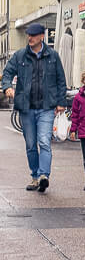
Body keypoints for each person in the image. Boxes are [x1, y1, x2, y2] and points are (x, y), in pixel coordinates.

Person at [1, 22, 68, 193]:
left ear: (42, 37)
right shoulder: (20, 56)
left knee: (44, 141)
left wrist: (61, 102)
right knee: (31, 144)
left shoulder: (53, 56)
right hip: (26, 107)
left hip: (46, 107)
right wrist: (7, 86)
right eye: (28, 35)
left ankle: (44, 175)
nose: (29, 38)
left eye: (33, 35)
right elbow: (7, 73)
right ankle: (35, 176)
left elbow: (61, 80)